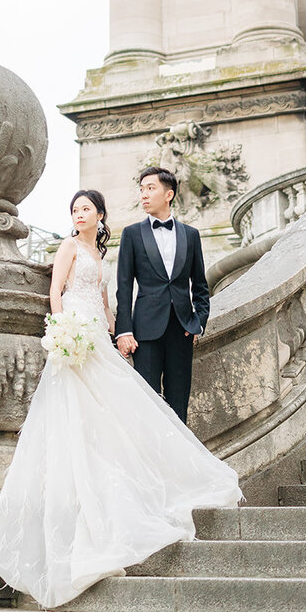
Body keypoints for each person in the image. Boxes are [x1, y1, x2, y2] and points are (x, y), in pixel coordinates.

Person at [0, 188, 242, 609]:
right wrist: (62, 332)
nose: (79, 214)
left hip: (98, 338)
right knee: (76, 417)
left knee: (117, 414)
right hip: (73, 339)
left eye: (86, 209)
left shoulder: (99, 255)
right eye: (74, 209)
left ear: (100, 216)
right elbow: (56, 292)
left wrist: (113, 330)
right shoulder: (67, 247)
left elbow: (105, 298)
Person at [115, 166, 208, 423]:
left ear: (168, 195)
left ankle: (178, 461)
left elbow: (200, 286)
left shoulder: (191, 235)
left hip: (182, 328)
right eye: (142, 189)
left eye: (150, 188)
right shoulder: (131, 234)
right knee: (147, 401)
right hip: (145, 332)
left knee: (179, 400)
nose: (144, 194)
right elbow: (124, 286)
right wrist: (124, 331)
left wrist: (199, 321)